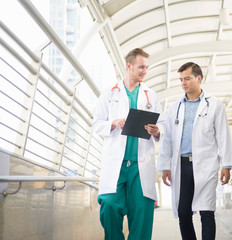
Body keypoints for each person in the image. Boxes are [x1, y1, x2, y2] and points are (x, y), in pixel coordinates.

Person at [157, 62, 232, 240]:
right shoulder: (174, 108)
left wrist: (227, 165)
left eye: (187, 78)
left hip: (206, 165)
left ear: (198, 79)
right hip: (181, 166)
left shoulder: (215, 105)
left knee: (207, 212)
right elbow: (167, 139)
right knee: (184, 214)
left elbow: (223, 135)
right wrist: (165, 167)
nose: (183, 83)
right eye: (181, 79)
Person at [92, 48, 164, 240]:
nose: (144, 71)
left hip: (141, 166)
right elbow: (97, 124)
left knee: (142, 213)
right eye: (141, 67)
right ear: (129, 66)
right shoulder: (109, 93)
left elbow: (162, 125)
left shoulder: (151, 95)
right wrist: (113, 123)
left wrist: (157, 131)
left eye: (147, 68)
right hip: (116, 163)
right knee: (108, 205)